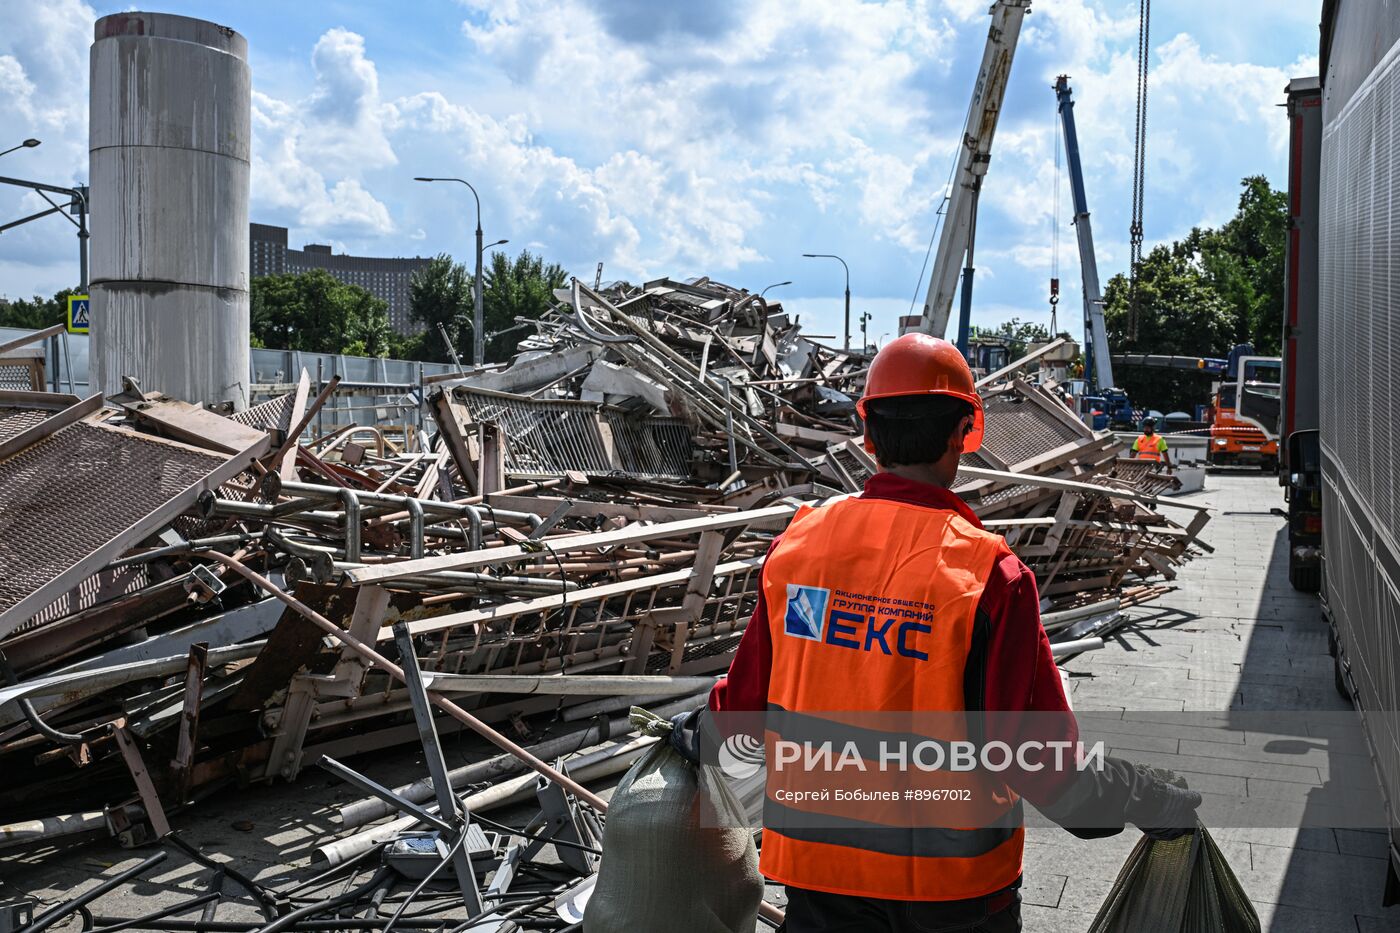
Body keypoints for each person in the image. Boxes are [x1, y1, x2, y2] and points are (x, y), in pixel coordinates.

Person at [687, 335, 1201, 933]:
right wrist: (1139, 797)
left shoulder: (802, 548)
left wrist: (699, 728)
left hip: (818, 880)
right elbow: (1037, 759)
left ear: (869, 436)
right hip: (952, 896)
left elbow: (742, 713)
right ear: (964, 432)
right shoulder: (989, 576)